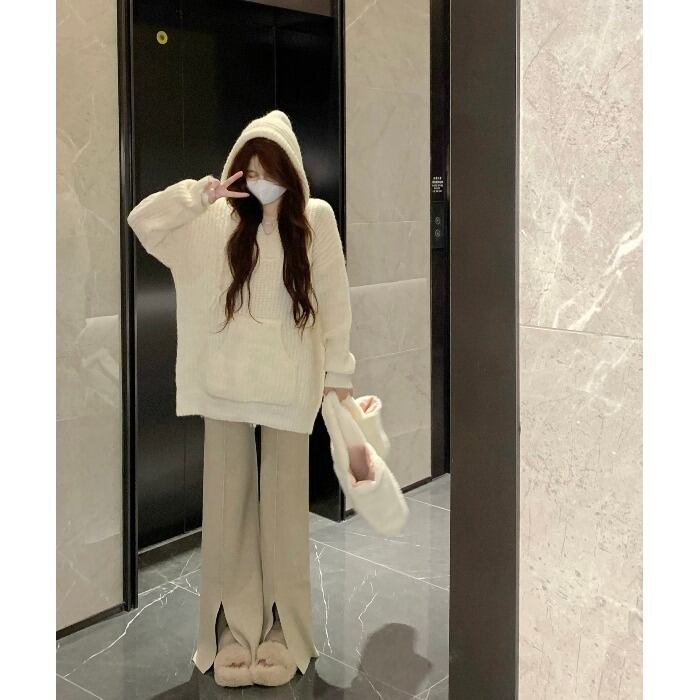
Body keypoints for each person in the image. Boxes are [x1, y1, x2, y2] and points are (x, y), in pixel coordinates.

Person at [126, 109, 355, 687]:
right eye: (249, 172)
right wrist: (198, 195)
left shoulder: (315, 218)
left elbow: (335, 301)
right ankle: (230, 628)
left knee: (284, 514)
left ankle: (283, 629)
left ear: (291, 172)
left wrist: (339, 376)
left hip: (290, 388)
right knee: (226, 511)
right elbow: (143, 222)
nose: (260, 182)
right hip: (225, 387)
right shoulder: (216, 219)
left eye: (270, 171)